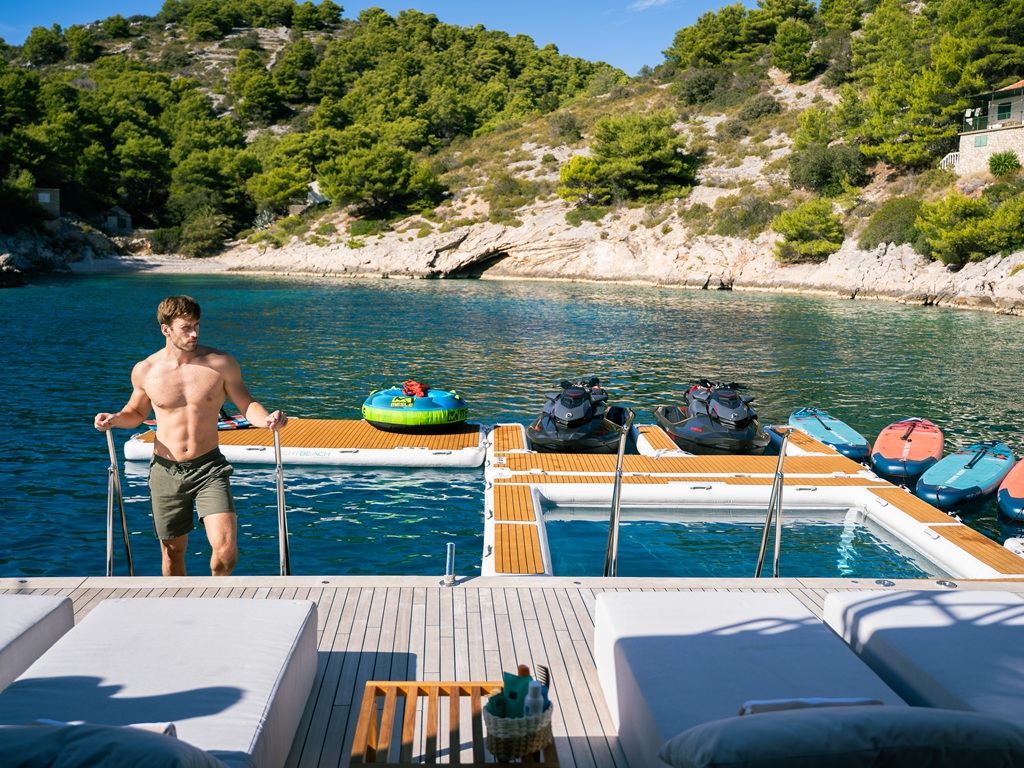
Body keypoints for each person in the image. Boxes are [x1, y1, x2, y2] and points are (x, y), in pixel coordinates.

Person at [94, 295, 287, 576]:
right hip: (165, 470)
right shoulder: (146, 370)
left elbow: (247, 405)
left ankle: (216, 595)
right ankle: (180, 603)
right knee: (173, 553)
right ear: (166, 329)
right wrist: (113, 419)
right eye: (186, 328)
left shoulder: (220, 363)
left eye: (197, 325)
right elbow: (135, 412)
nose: (194, 333)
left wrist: (266, 419)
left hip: (209, 468)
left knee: (225, 549)